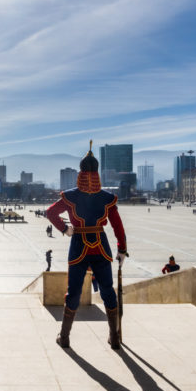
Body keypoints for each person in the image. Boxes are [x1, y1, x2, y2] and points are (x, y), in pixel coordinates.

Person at [46, 141, 127, 350]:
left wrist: (65, 230)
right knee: (108, 291)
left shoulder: (71, 196)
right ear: (97, 171)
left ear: (80, 171)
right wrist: (121, 249)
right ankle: (114, 337)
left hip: (78, 247)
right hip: (101, 247)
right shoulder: (106, 198)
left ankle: (64, 337)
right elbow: (118, 226)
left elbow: (50, 212)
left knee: (73, 293)